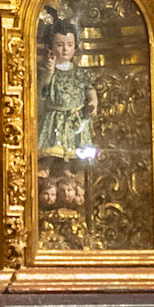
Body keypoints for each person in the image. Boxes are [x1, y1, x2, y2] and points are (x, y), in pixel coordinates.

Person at [38, 16, 98, 209]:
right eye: (60, 45)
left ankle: (66, 168)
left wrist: (93, 101)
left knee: (70, 147)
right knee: (52, 146)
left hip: (74, 118)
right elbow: (43, 89)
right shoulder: (50, 69)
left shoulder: (79, 72)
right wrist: (48, 71)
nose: (65, 49)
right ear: (51, 47)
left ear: (75, 47)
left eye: (69, 45)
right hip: (56, 115)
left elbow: (89, 88)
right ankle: (46, 166)